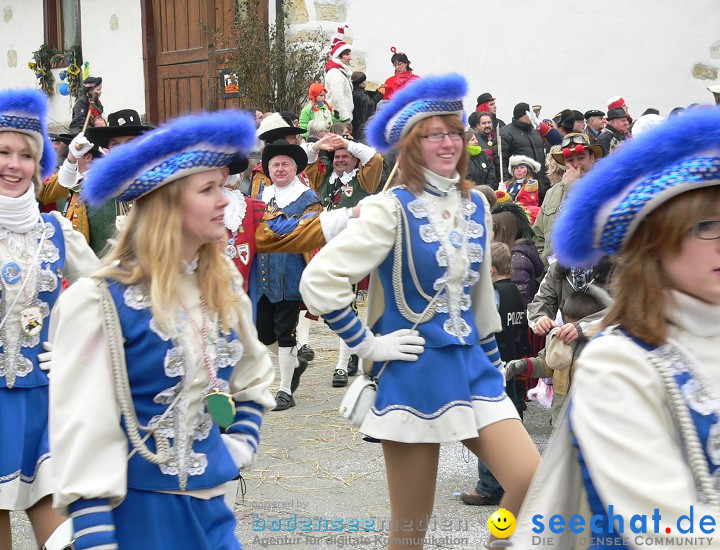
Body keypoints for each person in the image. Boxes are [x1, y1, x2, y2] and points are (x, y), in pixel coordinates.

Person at [300, 74, 540, 549]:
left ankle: (497, 542)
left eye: (455, 131)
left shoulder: (475, 205)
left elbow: (479, 298)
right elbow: (319, 281)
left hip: (475, 367)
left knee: (532, 478)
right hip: (415, 373)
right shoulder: (389, 208)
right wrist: (368, 344)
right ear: (411, 145)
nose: (449, 142)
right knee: (410, 532)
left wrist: (495, 362)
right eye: (435, 134)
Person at [49, 110, 274, 549]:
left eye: (223, 185)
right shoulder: (99, 301)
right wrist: (96, 537)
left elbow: (253, 377)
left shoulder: (222, 282)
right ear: (168, 202)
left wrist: (241, 443)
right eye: (208, 189)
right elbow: (84, 429)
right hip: (138, 516)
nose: (225, 199)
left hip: (213, 510)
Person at [514, 106, 720, 549]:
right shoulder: (622, 363)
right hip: (588, 343)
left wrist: (583, 327)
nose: (574, 162)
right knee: (563, 420)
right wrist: (544, 320)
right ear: (657, 242)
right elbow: (666, 529)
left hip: (589, 331)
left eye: (581, 156)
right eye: (707, 225)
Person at [0, 89, 99, 548]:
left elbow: (110, 295)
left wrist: (74, 348)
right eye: (3, 151)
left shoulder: (58, 231)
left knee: (65, 538)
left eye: (25, 154)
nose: (13, 164)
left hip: (45, 403)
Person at [305, 134, 383, 387]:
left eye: (345, 157)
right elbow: (304, 162)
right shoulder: (321, 179)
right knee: (322, 307)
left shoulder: (364, 181)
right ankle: (352, 348)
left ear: (354, 160)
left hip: (351, 248)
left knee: (343, 305)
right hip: (322, 248)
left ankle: (341, 364)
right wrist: (318, 146)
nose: (339, 160)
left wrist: (347, 143)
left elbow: (375, 158)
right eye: (336, 157)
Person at [460, 242, 529, 507]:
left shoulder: (493, 294)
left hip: (492, 365)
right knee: (512, 422)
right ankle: (511, 478)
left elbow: (482, 328)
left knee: (489, 426)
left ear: (489, 269)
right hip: (512, 362)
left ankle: (488, 487)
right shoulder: (516, 293)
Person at [505, 290, 607, 426]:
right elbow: (547, 364)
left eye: (575, 324)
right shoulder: (560, 339)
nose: (569, 328)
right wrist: (523, 365)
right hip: (559, 418)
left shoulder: (598, 346)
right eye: (567, 322)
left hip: (587, 422)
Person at [534, 133, 603, 267]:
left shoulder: (603, 188)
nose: (576, 164)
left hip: (590, 274)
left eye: (581, 158)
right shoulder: (551, 193)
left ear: (592, 158)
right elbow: (538, 235)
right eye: (570, 160)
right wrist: (546, 263)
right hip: (553, 276)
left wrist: (572, 185)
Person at [491, 202, 544, 305]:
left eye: (492, 229)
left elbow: (519, 304)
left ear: (503, 230)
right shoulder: (512, 255)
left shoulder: (518, 261)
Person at [324, 26, 354, 125]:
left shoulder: (341, 71)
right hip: (338, 119)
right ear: (339, 56)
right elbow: (338, 97)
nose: (350, 58)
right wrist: (345, 118)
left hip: (341, 117)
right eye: (347, 55)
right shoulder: (336, 73)